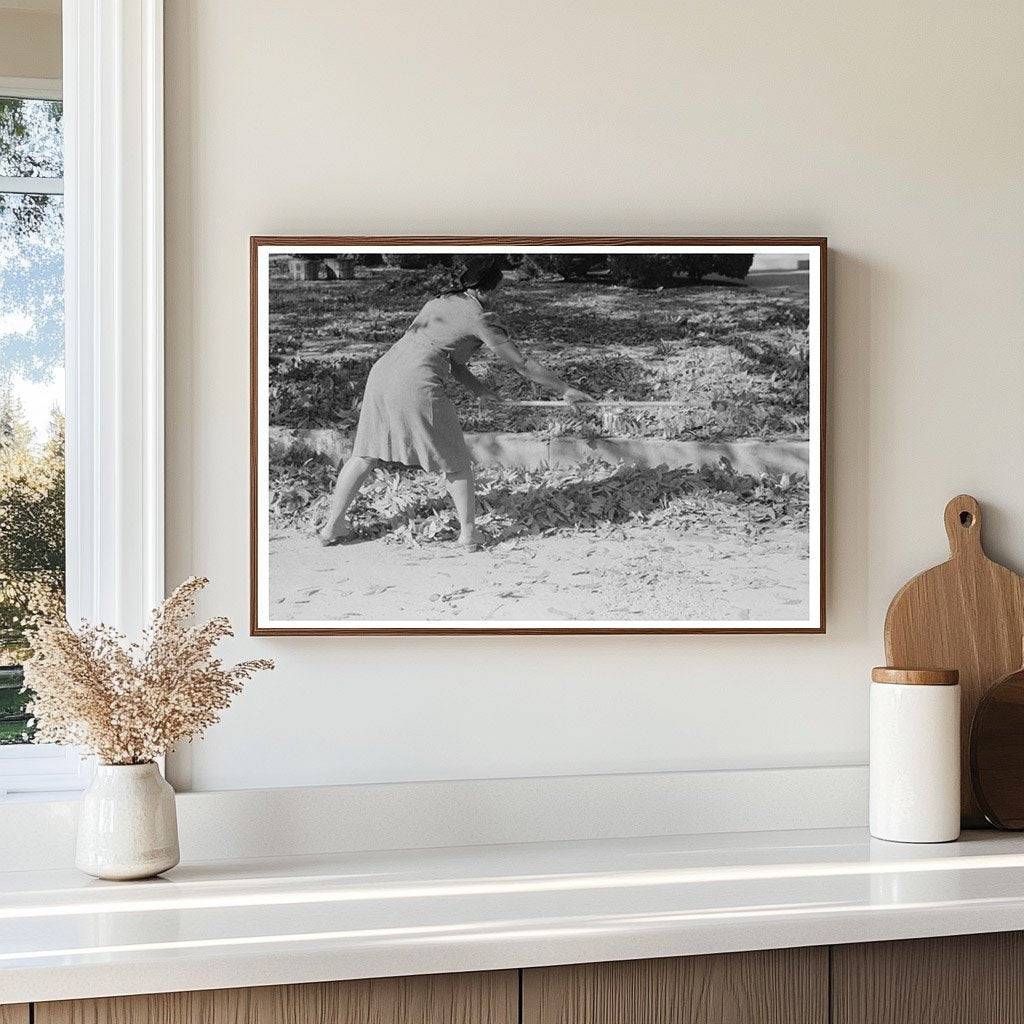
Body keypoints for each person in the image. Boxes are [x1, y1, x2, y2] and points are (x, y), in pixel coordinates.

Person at [319, 255, 592, 551]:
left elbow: (448, 358)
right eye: (498, 291)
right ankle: (469, 534)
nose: (498, 297)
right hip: (417, 382)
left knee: (364, 454)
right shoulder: (481, 318)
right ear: (484, 290)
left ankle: (332, 526)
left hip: (383, 374)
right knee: (457, 463)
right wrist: (565, 389)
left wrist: (480, 390)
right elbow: (522, 364)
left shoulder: (439, 302)